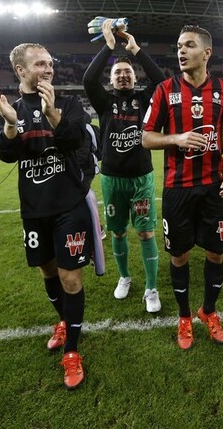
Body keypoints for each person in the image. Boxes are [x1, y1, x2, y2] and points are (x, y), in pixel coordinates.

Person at [0, 43, 93, 389]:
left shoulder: (69, 103)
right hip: (34, 209)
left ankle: (72, 351)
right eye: (40, 64)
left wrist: (53, 114)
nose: (49, 69)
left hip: (69, 205)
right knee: (47, 271)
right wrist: (10, 125)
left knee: (71, 277)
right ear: (20, 71)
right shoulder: (11, 109)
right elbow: (5, 154)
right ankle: (64, 320)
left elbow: (77, 140)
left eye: (50, 63)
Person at [142, 25, 223, 350]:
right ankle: (184, 316)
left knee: (216, 253)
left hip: (214, 188)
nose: (181, 51)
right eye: (179, 46)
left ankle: (208, 311)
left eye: (188, 45)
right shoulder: (164, 90)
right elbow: (146, 137)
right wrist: (177, 138)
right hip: (178, 189)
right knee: (180, 255)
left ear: (206, 53)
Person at [83, 20, 165, 313]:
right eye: (117, 73)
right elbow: (89, 80)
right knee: (117, 233)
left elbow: (160, 81)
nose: (122, 76)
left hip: (141, 178)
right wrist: (108, 47)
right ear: (112, 79)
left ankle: (151, 288)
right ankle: (124, 277)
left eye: (127, 72)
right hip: (112, 179)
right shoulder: (104, 102)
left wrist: (136, 50)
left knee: (145, 233)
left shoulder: (144, 99)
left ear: (134, 77)